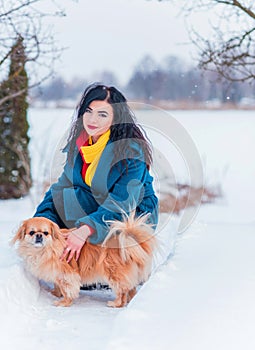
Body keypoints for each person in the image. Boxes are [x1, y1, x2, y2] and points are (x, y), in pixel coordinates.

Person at [34, 83, 158, 263]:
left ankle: (102, 266)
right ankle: (79, 262)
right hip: (98, 206)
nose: (92, 120)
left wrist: (86, 228)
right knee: (67, 195)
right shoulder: (80, 146)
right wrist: (42, 222)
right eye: (89, 111)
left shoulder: (131, 151)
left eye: (102, 114)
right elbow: (59, 190)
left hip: (131, 214)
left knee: (84, 209)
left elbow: (121, 203)